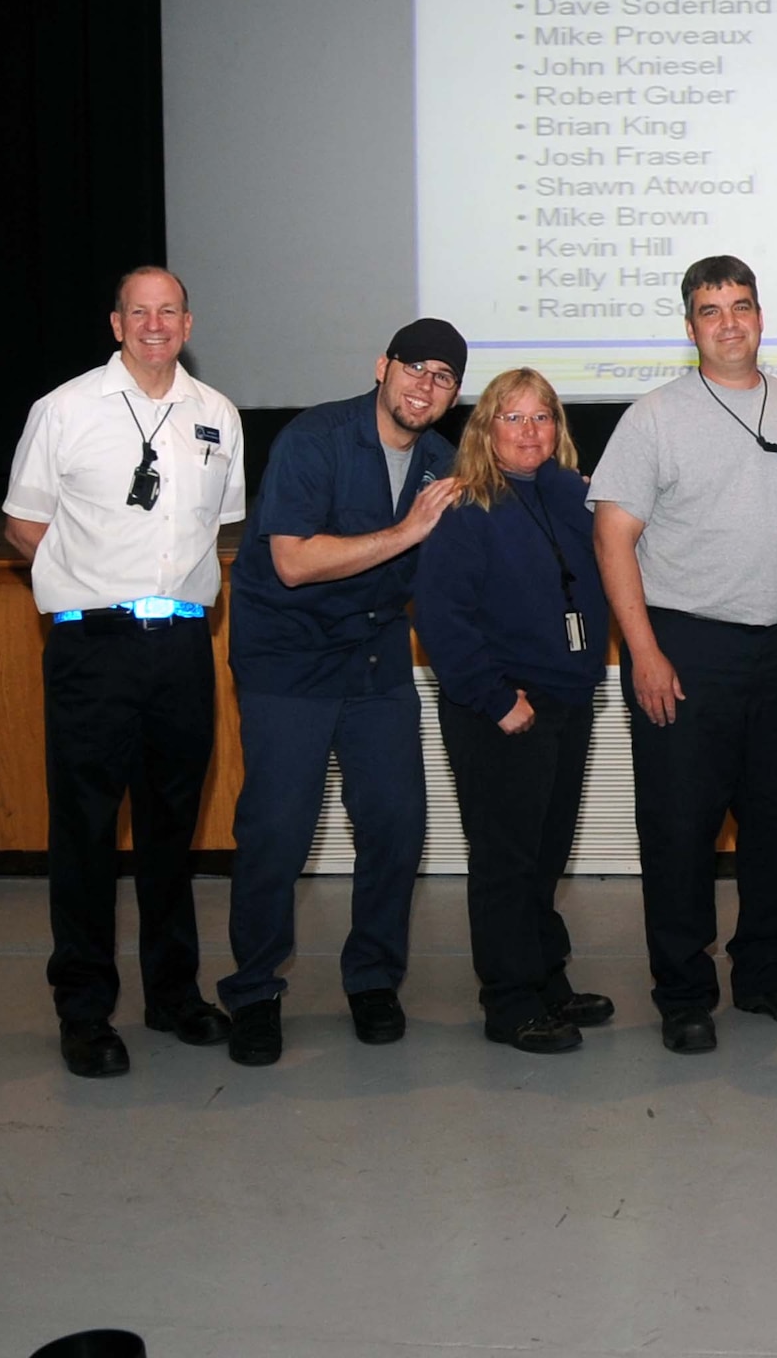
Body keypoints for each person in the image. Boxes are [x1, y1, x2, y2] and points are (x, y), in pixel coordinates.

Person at [3, 268, 246, 1077]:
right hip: (92, 649)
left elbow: (222, 525)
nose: (154, 325)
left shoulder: (217, 416)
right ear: (116, 323)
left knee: (172, 830)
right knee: (86, 836)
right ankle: (84, 1012)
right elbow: (24, 524)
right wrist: (89, 577)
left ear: (188, 320)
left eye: (168, 311)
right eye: (138, 312)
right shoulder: (65, 409)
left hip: (181, 646)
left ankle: (175, 996)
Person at [588, 255, 777, 1054]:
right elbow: (613, 538)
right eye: (711, 310)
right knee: (681, 829)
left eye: (742, 306)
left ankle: (766, 975)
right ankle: (684, 990)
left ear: (762, 317)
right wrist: (642, 653)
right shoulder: (653, 416)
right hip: (685, 646)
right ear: (690, 328)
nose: (729, 322)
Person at [219, 318, 466, 1067]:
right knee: (277, 832)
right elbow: (292, 562)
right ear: (382, 366)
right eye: (415, 368)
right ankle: (255, 989)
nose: (426, 386)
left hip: (374, 657)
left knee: (397, 824)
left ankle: (371, 979)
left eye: (444, 378)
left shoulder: (443, 461)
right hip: (286, 660)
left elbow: (448, 575)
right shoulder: (314, 438)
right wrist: (409, 532)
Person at [415, 370, 611, 1053]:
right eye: (513, 418)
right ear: (485, 429)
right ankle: (508, 1002)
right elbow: (442, 619)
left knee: (545, 853)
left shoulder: (567, 500)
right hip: (502, 705)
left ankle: (544, 977)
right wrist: (497, 700)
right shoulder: (464, 507)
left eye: (542, 418)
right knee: (506, 859)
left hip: (566, 700)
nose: (530, 432)